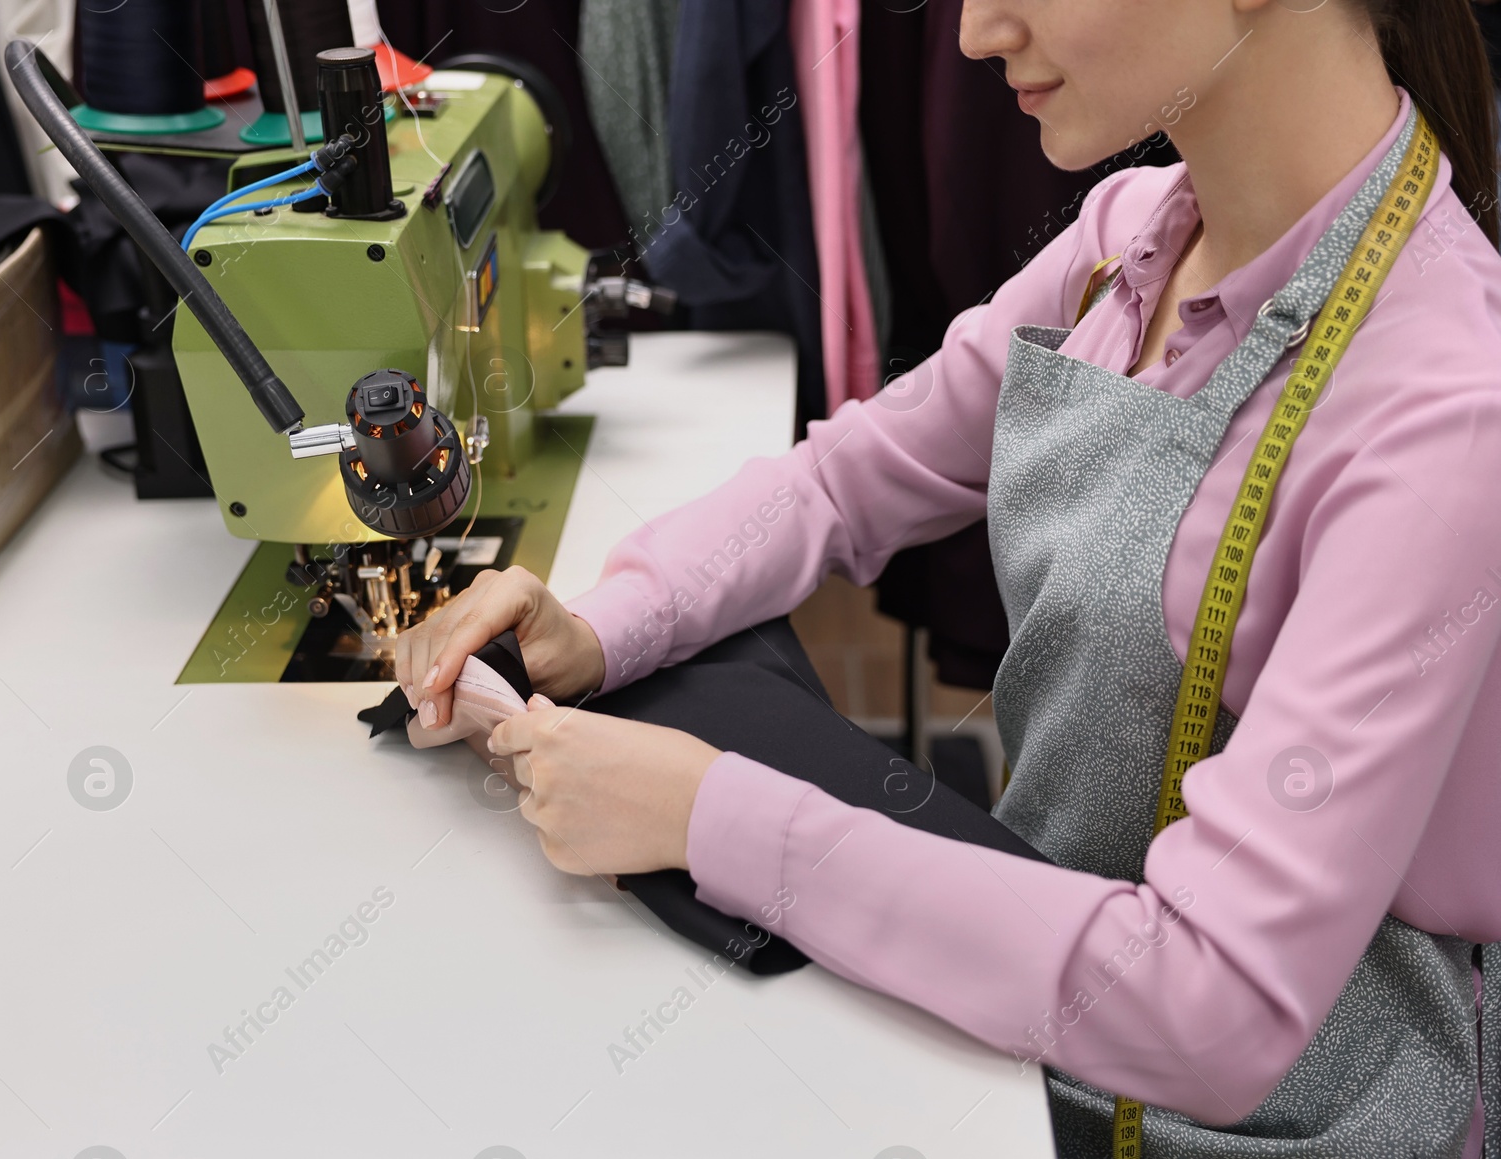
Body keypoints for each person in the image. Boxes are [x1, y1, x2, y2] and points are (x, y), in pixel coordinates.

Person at [394, 0, 1501, 1154]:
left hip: (1281, 1116)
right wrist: (608, 623)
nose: (972, 32)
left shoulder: (1443, 414)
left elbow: (1213, 1006)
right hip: (1036, 1022)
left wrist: (704, 815)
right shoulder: (1128, 243)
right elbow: (850, 475)